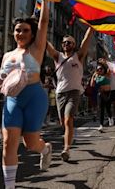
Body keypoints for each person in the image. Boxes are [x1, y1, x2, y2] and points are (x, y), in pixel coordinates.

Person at [0, 0, 52, 189]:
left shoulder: (37, 49)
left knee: (30, 144)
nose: (20, 33)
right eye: (17, 30)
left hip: (34, 98)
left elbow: (44, 22)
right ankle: (9, 186)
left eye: (25, 30)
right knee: (8, 143)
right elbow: (0, 81)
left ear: (32, 34)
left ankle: (45, 149)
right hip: (12, 101)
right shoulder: (7, 55)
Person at [46, 27, 94, 162]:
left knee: (68, 120)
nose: (67, 44)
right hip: (60, 93)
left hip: (74, 92)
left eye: (70, 42)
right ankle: (69, 139)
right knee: (63, 122)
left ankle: (66, 149)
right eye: (65, 42)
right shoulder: (58, 56)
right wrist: (39, 28)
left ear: (74, 45)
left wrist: (91, 26)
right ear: (62, 45)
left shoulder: (78, 56)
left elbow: (86, 40)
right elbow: (46, 44)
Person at [90, 63, 112, 130]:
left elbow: (109, 68)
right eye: (98, 69)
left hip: (108, 93)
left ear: (104, 69)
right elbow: (92, 85)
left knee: (108, 108)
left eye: (101, 69)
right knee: (101, 109)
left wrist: (104, 62)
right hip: (100, 93)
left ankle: (110, 118)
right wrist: (93, 75)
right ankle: (101, 125)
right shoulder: (96, 76)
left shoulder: (107, 74)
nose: (99, 70)